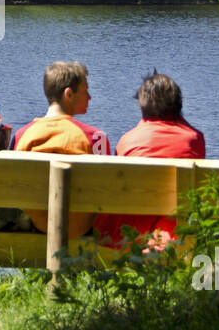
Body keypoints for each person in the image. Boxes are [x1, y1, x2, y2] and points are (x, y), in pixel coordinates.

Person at [94, 71, 204, 250]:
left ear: (143, 105)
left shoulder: (128, 140)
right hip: (173, 230)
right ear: (177, 104)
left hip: (124, 233)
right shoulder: (195, 139)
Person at [11, 60, 110, 238]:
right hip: (83, 228)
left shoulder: (21, 135)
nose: (90, 97)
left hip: (39, 226)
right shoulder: (96, 138)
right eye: (85, 90)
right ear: (69, 94)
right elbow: (106, 190)